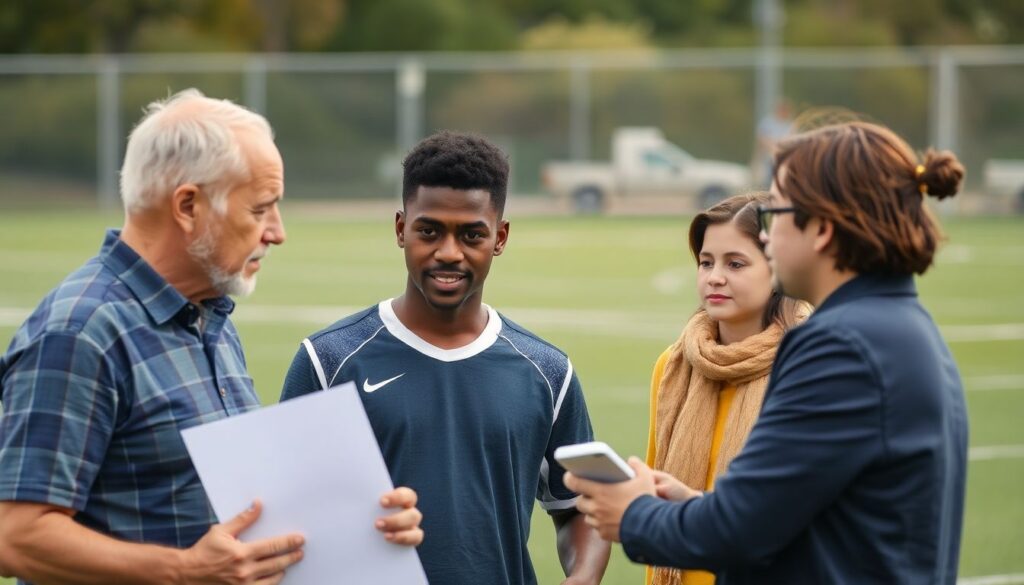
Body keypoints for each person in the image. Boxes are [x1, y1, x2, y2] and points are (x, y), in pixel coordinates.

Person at [0, 89, 422, 585]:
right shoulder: (81, 332)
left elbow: (231, 522)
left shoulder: (210, 317)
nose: (277, 232)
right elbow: (16, 537)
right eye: (260, 208)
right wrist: (181, 571)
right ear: (188, 206)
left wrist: (361, 524)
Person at [567, 120, 969, 584]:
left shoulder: (841, 344)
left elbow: (737, 533)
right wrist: (695, 505)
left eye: (774, 215)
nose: (767, 235)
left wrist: (633, 514)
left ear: (819, 228)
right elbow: (804, 522)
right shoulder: (897, 324)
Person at [280, 131, 611, 585]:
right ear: (401, 229)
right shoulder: (327, 360)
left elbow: (583, 508)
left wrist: (583, 578)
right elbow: (281, 514)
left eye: (472, 234)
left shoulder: (548, 372)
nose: (449, 253)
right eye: (429, 230)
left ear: (500, 237)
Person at [644, 192, 805, 585]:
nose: (715, 276)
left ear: (779, 269)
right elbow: (656, 493)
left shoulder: (807, 370)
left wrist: (694, 506)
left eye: (735, 263)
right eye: (705, 262)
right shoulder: (675, 364)